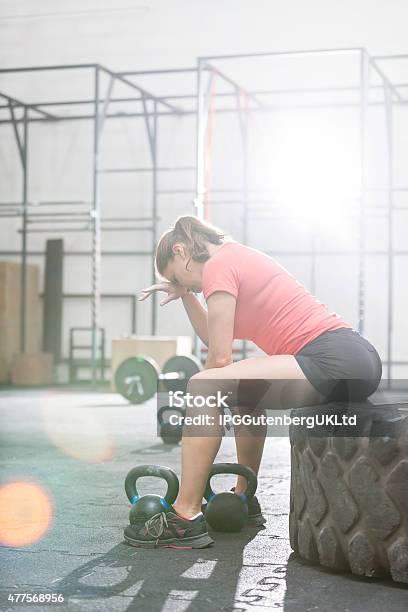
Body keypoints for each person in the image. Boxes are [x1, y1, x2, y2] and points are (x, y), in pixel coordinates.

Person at [124, 215, 382, 549]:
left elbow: (218, 358)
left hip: (331, 357)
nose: (192, 287)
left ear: (180, 250)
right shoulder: (234, 257)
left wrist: (204, 395)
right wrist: (186, 294)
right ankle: (245, 498)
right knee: (245, 394)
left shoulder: (219, 265)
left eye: (177, 275)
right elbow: (214, 334)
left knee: (202, 385)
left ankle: (184, 515)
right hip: (354, 357)